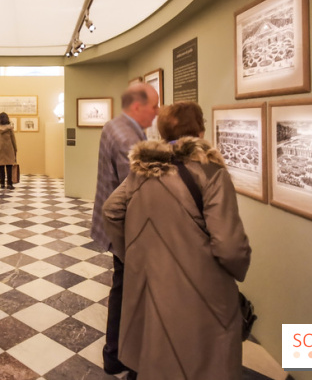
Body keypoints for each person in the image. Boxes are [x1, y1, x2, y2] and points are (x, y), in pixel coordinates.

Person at [102, 102, 252, 379]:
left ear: (162, 132)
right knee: (203, 359)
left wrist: (132, 256)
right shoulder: (210, 172)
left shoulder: (143, 169)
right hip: (200, 285)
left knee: (159, 353)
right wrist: (237, 270)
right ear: (200, 131)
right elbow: (230, 246)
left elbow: (111, 211)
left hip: (152, 278)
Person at [89, 83, 160, 376]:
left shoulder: (114, 125)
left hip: (114, 226)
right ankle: (119, 354)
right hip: (126, 230)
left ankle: (116, 353)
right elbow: (135, 192)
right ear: (137, 107)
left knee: (123, 288)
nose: (157, 113)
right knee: (128, 292)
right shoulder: (127, 139)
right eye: (154, 107)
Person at [0, 112, 18, 190]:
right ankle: (9, 184)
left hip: (0, 150)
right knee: (9, 167)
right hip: (9, 149)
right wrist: (15, 149)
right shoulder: (10, 128)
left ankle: (2, 183)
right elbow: (13, 139)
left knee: (1, 167)